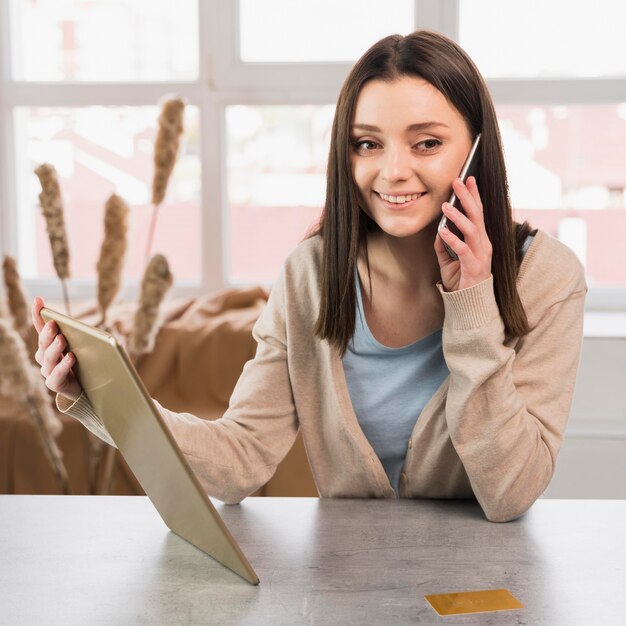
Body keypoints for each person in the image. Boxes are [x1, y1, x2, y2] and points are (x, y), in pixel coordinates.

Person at [32, 30, 586, 523]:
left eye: (427, 143)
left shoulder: (549, 279)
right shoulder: (311, 275)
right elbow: (239, 459)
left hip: (488, 592)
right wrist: (104, 399)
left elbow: (509, 494)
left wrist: (471, 302)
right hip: (345, 589)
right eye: (367, 143)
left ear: (477, 150)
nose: (393, 170)